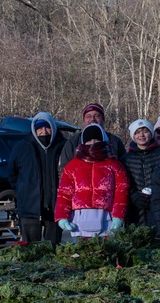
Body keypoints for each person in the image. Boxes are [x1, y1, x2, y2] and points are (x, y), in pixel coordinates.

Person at [54, 124, 129, 238]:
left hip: (106, 217)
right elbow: (64, 192)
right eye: (89, 140)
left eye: (96, 139)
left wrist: (118, 216)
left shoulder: (113, 164)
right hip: (79, 218)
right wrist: (62, 216)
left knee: (105, 253)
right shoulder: (72, 166)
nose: (93, 143)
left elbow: (121, 190)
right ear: (83, 142)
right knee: (81, 253)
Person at [9, 112, 67, 243]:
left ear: (53, 127)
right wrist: (23, 191)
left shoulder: (63, 146)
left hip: (55, 208)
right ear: (34, 129)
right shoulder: (22, 147)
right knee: (30, 248)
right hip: (29, 208)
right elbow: (12, 174)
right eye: (40, 128)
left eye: (47, 127)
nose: (44, 132)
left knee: (53, 247)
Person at [59, 103, 126, 170]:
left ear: (103, 119)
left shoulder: (114, 141)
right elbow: (64, 168)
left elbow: (124, 168)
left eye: (97, 115)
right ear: (84, 120)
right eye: (88, 116)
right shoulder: (73, 142)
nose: (92, 119)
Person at [122, 119, 160, 227]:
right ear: (133, 136)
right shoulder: (126, 159)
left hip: (157, 205)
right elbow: (123, 181)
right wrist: (133, 195)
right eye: (137, 132)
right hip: (135, 209)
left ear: (151, 133)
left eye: (145, 131)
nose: (142, 135)